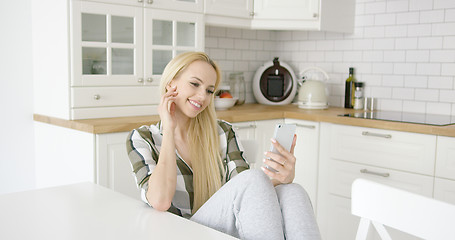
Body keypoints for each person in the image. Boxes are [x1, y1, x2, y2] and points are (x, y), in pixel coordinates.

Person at [126, 52, 321, 240]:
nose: (202, 96)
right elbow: (160, 201)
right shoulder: (142, 138)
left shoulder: (223, 133)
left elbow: (247, 191)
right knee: (254, 178)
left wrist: (281, 178)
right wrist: (169, 129)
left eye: (210, 90)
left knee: (292, 191)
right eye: (195, 84)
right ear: (171, 84)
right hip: (179, 233)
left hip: (221, 230)